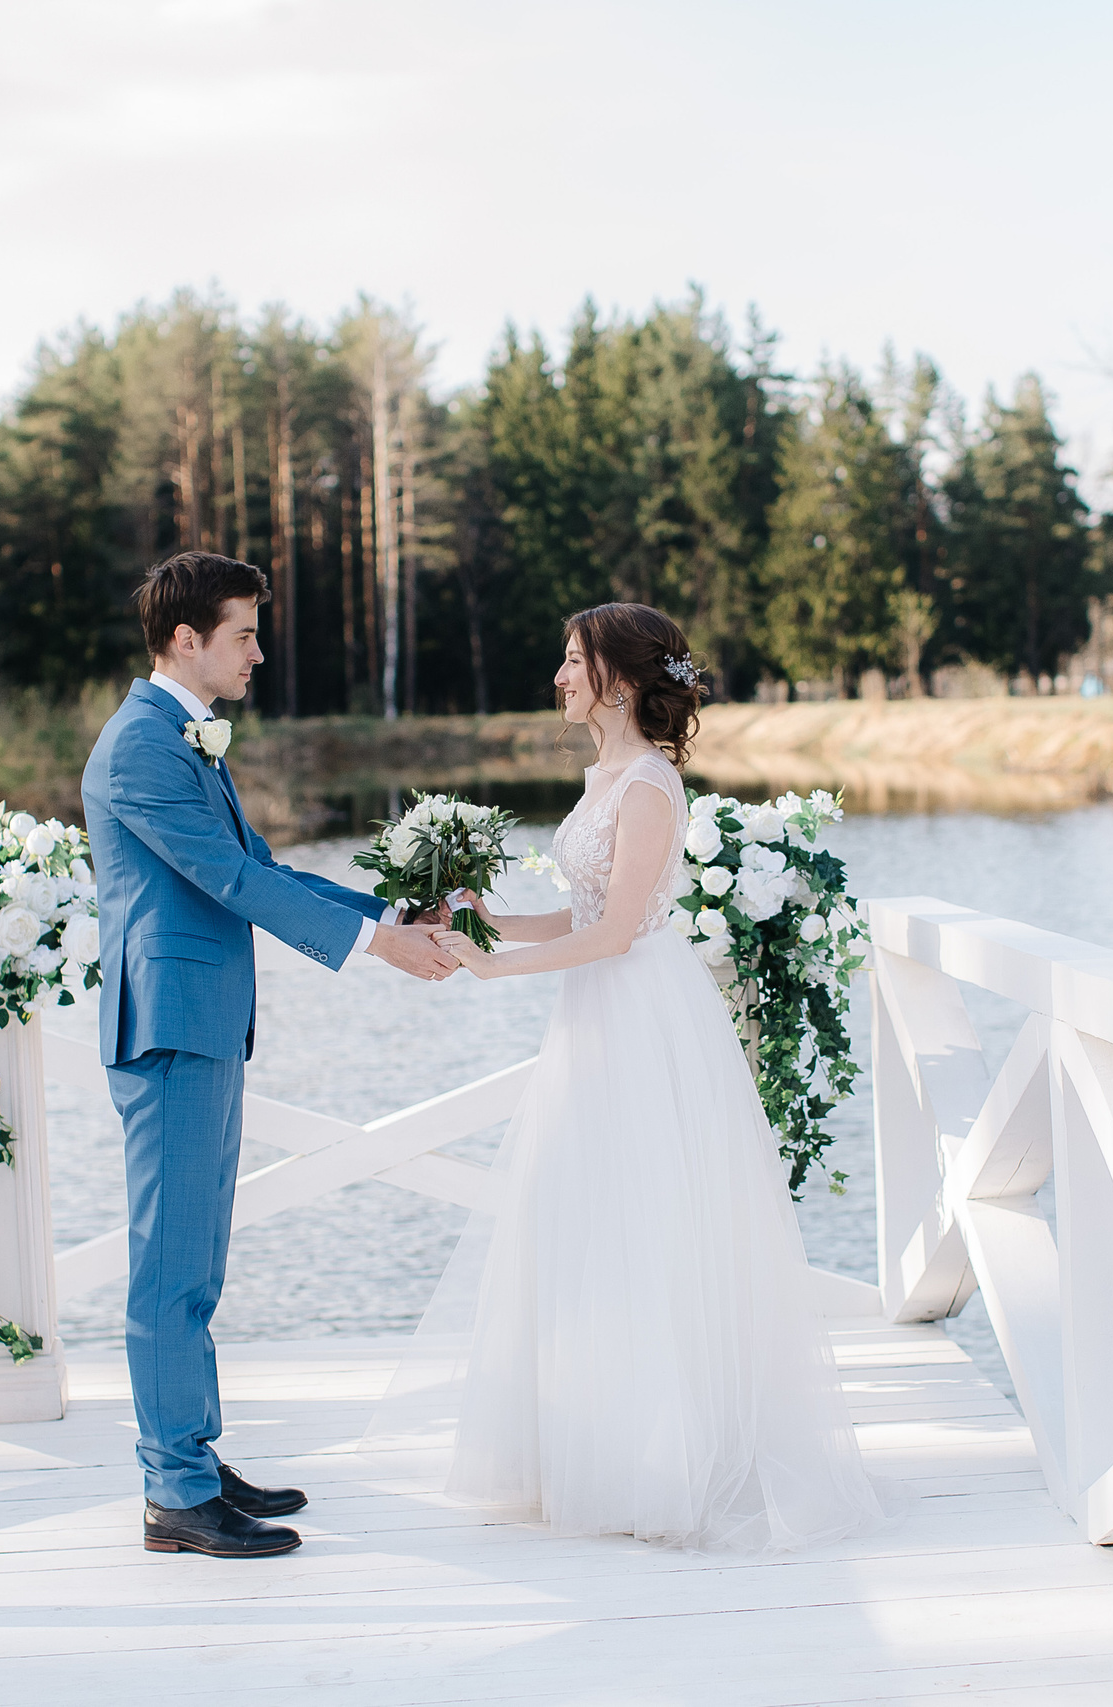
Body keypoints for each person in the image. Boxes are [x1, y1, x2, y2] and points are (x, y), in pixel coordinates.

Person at [399, 601, 890, 1551]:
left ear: (618, 679)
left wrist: (497, 968)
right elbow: (585, 912)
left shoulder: (651, 787)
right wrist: (491, 923)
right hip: (595, 1011)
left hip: (638, 1011)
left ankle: (666, 1459)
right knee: (585, 1214)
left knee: (647, 1218)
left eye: (572, 660)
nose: (558, 675)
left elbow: (621, 932)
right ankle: (591, 1443)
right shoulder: (605, 777)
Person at [81, 550, 457, 1560]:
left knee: (196, 1263)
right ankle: (174, 1492)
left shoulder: (183, 739)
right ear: (185, 639)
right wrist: (378, 947)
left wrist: (390, 912)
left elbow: (261, 868)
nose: (257, 652)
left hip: (203, 1025)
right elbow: (232, 884)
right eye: (243, 634)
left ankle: (194, 1462)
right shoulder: (140, 746)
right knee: (169, 1270)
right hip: (168, 1029)